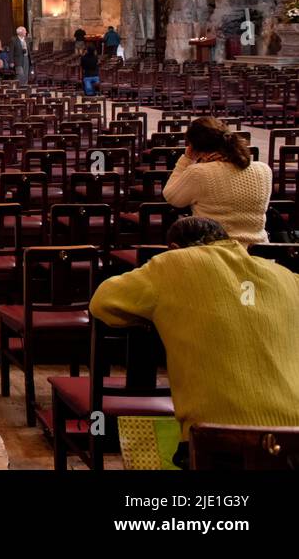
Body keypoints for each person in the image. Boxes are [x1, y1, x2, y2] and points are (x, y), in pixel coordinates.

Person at [90, 216, 299, 457]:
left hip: (218, 437)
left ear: (174, 248)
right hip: (292, 435)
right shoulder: (285, 275)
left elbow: (101, 302)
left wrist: (156, 313)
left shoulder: (172, 263)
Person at [160, 117, 272, 245]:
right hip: (259, 253)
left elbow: (171, 196)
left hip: (218, 252)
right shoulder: (264, 169)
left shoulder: (200, 172)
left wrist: (187, 159)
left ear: (193, 146)